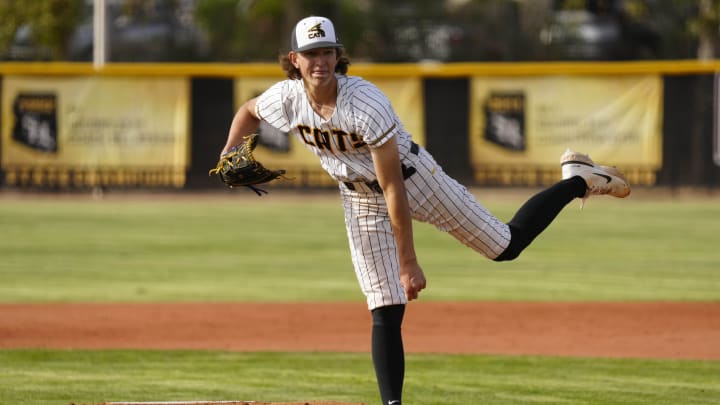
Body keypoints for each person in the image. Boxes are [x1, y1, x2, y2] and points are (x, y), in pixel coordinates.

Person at [219, 15, 630, 405]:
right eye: (311, 54)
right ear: (295, 60)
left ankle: (579, 178)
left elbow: (393, 186)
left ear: (337, 55)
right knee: (383, 305)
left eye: (327, 52)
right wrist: (229, 153)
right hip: (358, 198)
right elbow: (249, 112)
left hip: (416, 180)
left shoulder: (364, 102)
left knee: (505, 245)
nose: (320, 61)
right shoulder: (286, 98)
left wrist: (408, 262)